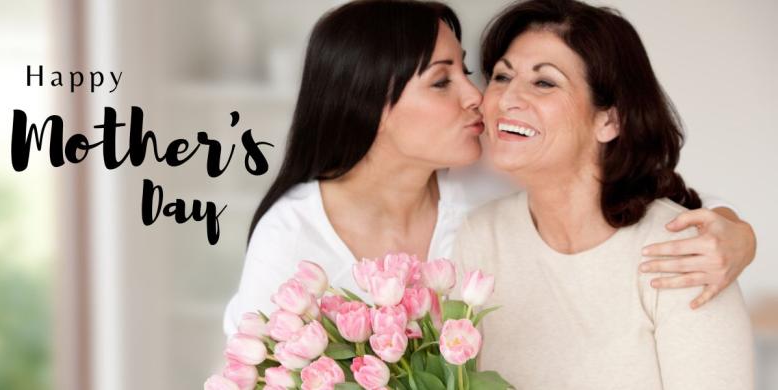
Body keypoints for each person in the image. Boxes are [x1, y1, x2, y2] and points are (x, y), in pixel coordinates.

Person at [223, 0, 756, 336]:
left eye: (470, 72)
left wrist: (737, 234)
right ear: (368, 106)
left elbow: (616, 202)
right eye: (442, 80)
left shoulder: (488, 191)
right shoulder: (292, 234)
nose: (478, 97)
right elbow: (256, 369)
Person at [452, 0, 753, 388]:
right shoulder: (482, 235)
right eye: (501, 76)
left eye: (544, 82)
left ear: (609, 120)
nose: (507, 99)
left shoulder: (685, 253)